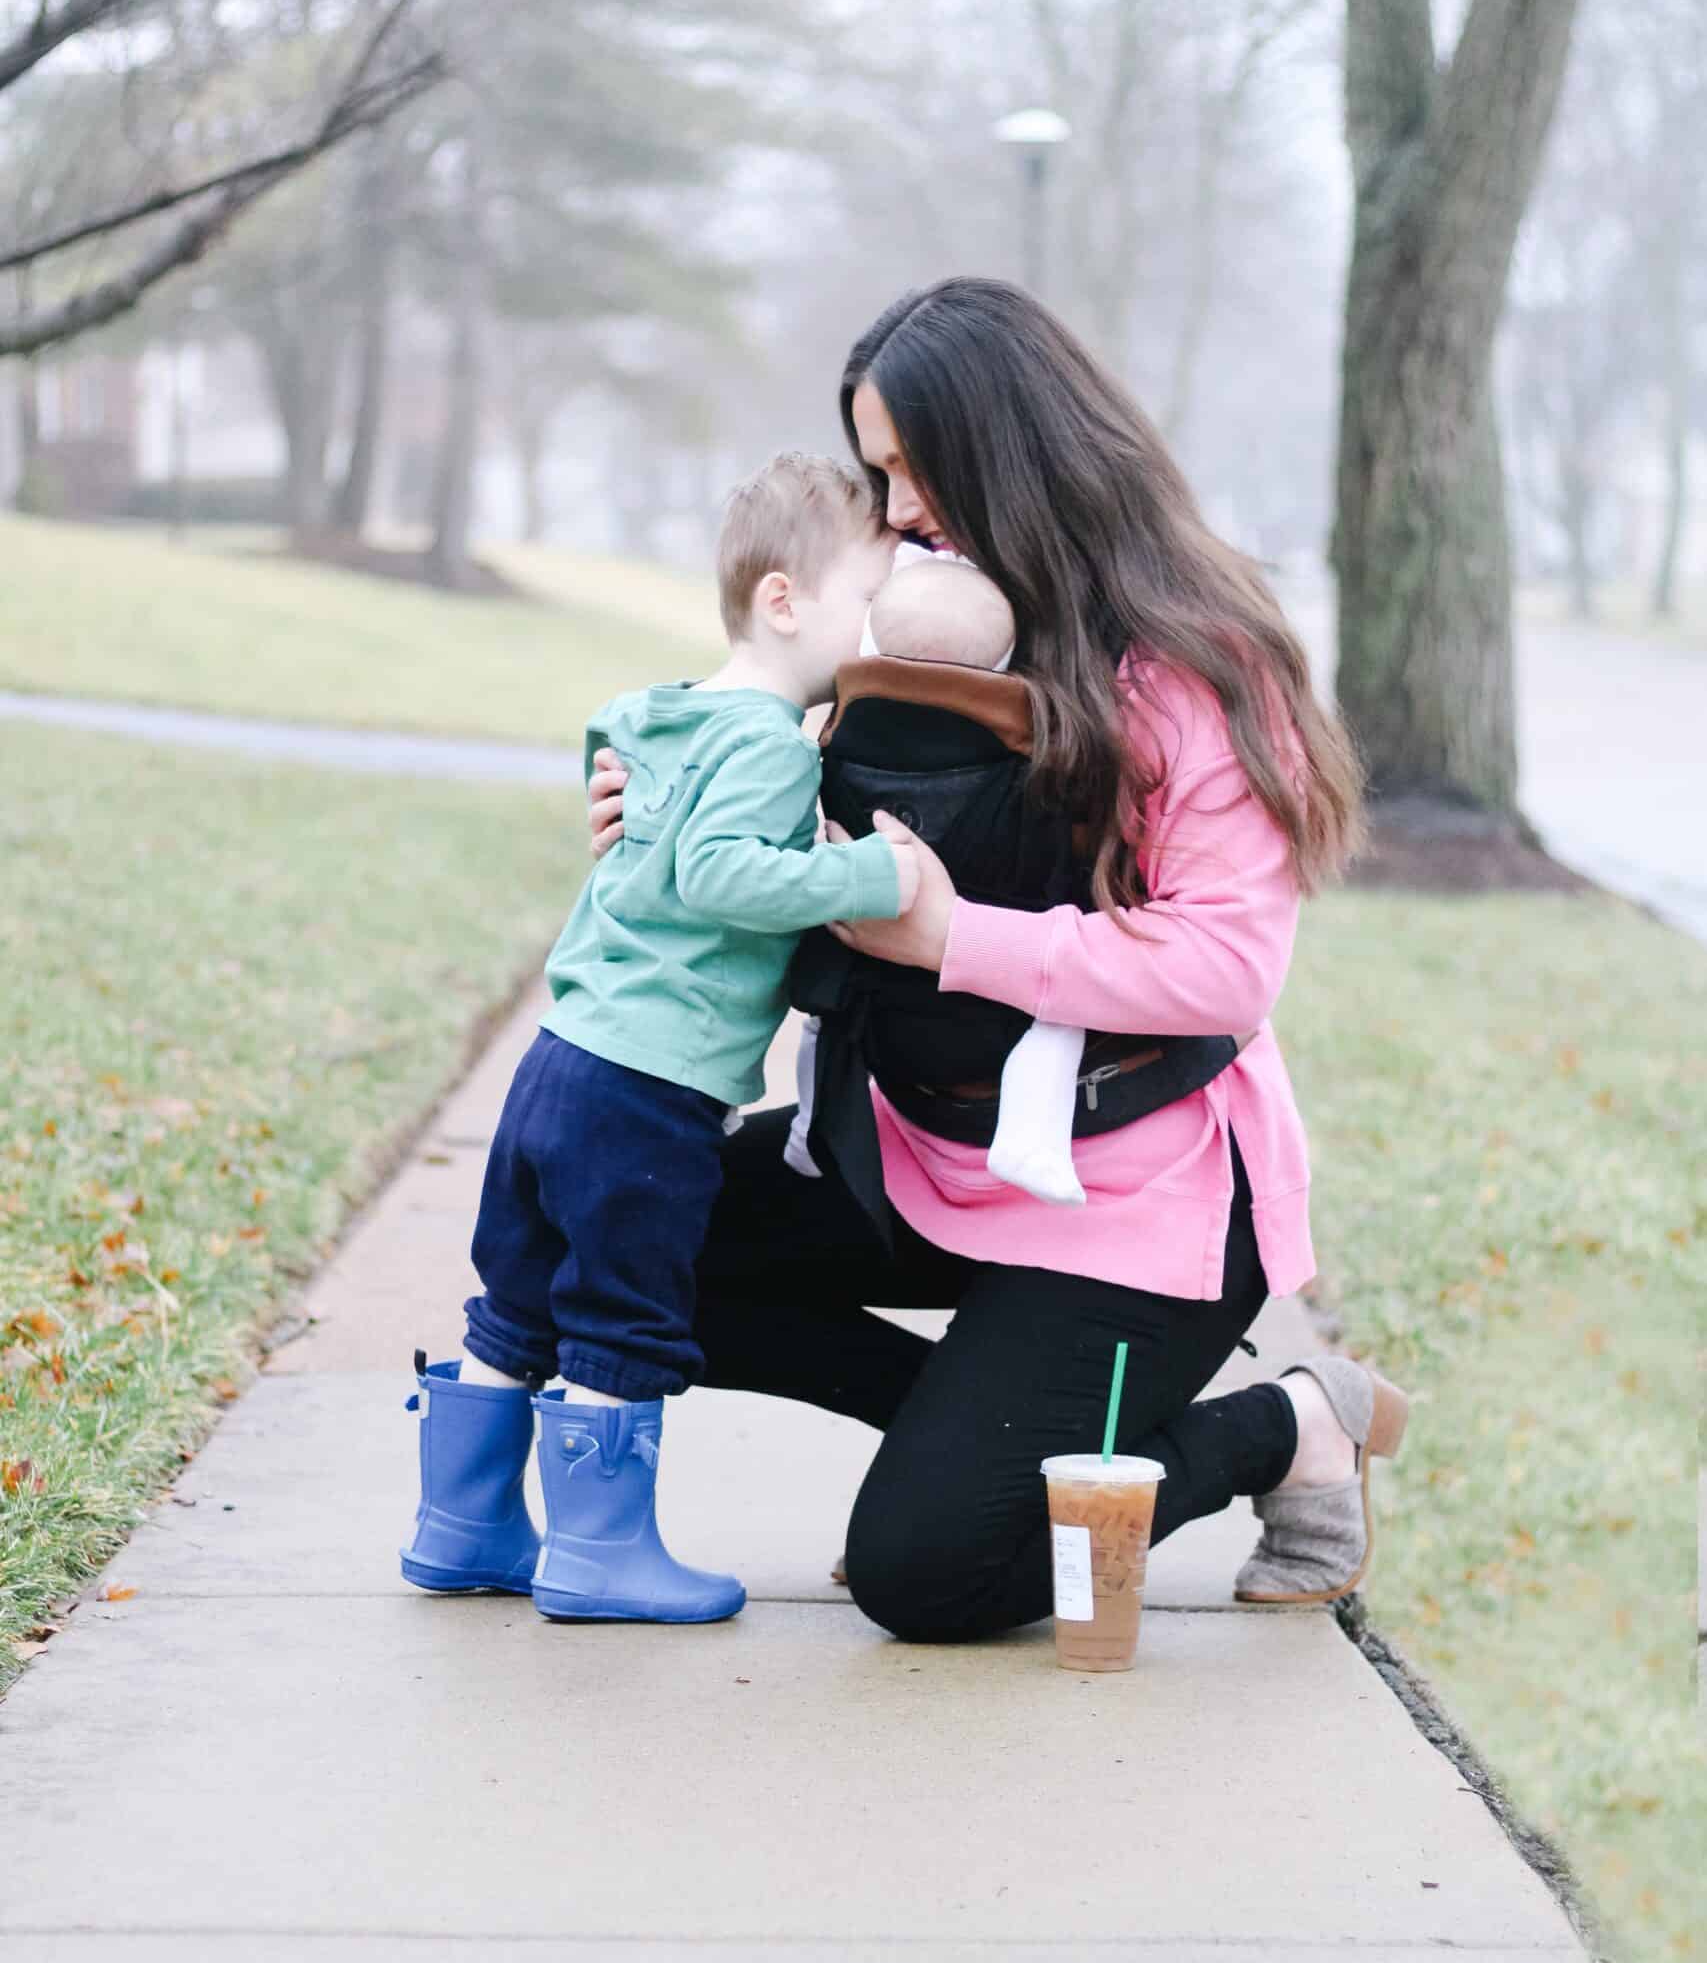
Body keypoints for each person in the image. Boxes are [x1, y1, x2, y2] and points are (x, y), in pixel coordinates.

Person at [587, 279, 1408, 1639]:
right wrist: (664, 826)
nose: (896, 507)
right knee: (607, 1239)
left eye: (916, 468)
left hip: (1136, 1203)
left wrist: (949, 938)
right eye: (877, 470)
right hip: (911, 1149)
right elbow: (786, 840)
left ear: (1009, 454)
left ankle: (1281, 1429)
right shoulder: (910, 642)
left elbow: (1218, 971)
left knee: (933, 1578)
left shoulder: (1194, 663)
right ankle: (978, 1461)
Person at [400, 452, 913, 1624]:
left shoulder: (663, 713)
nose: (879, 631)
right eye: (867, 603)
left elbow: (611, 763)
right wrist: (869, 867)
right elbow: (721, 871)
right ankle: (597, 1556)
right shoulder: (773, 743)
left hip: (559, 1060)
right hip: (646, 1092)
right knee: (623, 1311)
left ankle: (461, 1528)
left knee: (516, 1302)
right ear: (785, 601)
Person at [785, 547, 1107, 1209]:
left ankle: (806, 1127)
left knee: (822, 1020)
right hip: (1001, 949)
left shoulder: (838, 728)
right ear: (1005, 660)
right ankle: (1031, 1133)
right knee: (1064, 1015)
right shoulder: (1029, 733)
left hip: (857, 946)